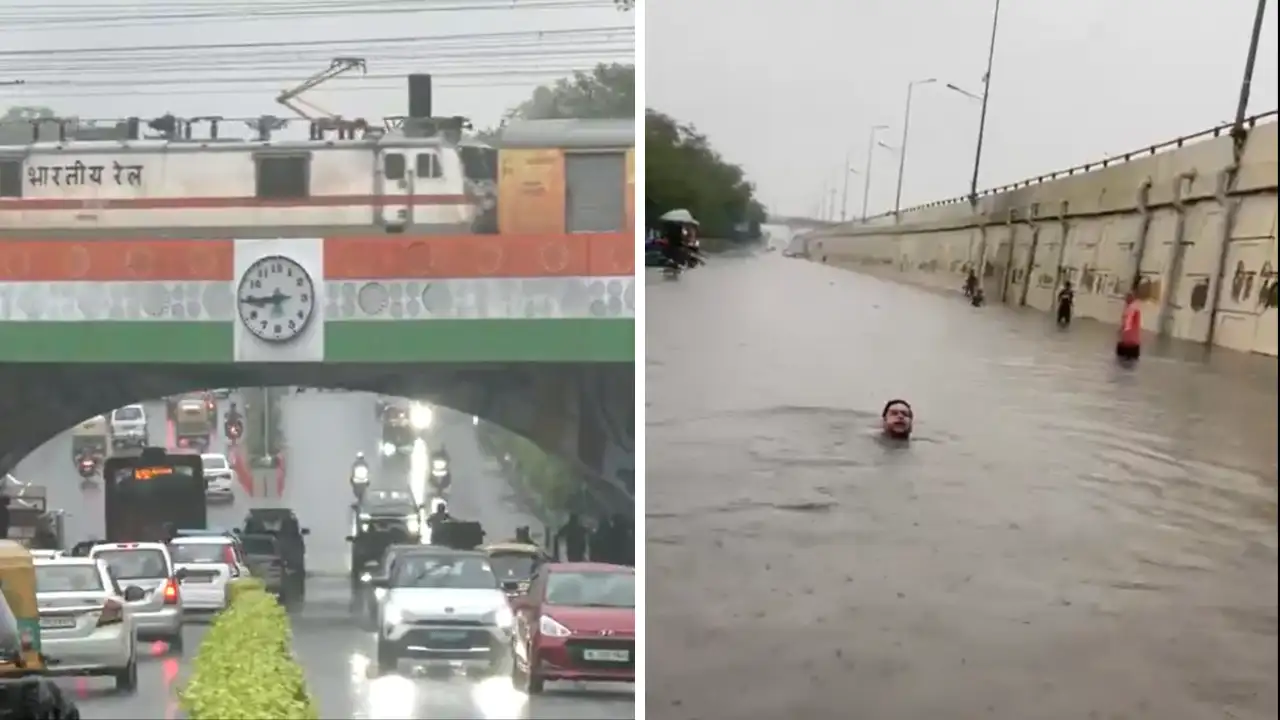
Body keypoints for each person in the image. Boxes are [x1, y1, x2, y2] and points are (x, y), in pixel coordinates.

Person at [1116, 292, 1142, 362]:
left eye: (1127, 298)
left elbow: (1128, 323)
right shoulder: (1132, 309)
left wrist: (1122, 330)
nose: (1125, 300)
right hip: (1132, 341)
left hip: (1129, 341)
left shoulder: (1132, 309)